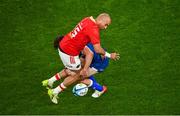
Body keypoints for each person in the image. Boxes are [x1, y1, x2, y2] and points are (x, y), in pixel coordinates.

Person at [42, 13, 120, 104]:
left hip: (64, 48)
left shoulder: (87, 20)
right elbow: (96, 50)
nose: (106, 27)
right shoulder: (93, 32)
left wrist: (85, 68)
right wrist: (110, 55)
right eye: (106, 24)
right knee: (78, 75)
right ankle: (54, 92)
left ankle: (51, 82)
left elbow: (93, 51)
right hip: (70, 53)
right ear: (101, 20)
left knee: (76, 72)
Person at [42, 43, 119, 103]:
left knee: (80, 77)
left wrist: (108, 55)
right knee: (72, 70)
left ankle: (101, 89)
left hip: (99, 64)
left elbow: (100, 52)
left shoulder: (85, 47)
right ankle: (50, 82)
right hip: (89, 58)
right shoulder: (78, 46)